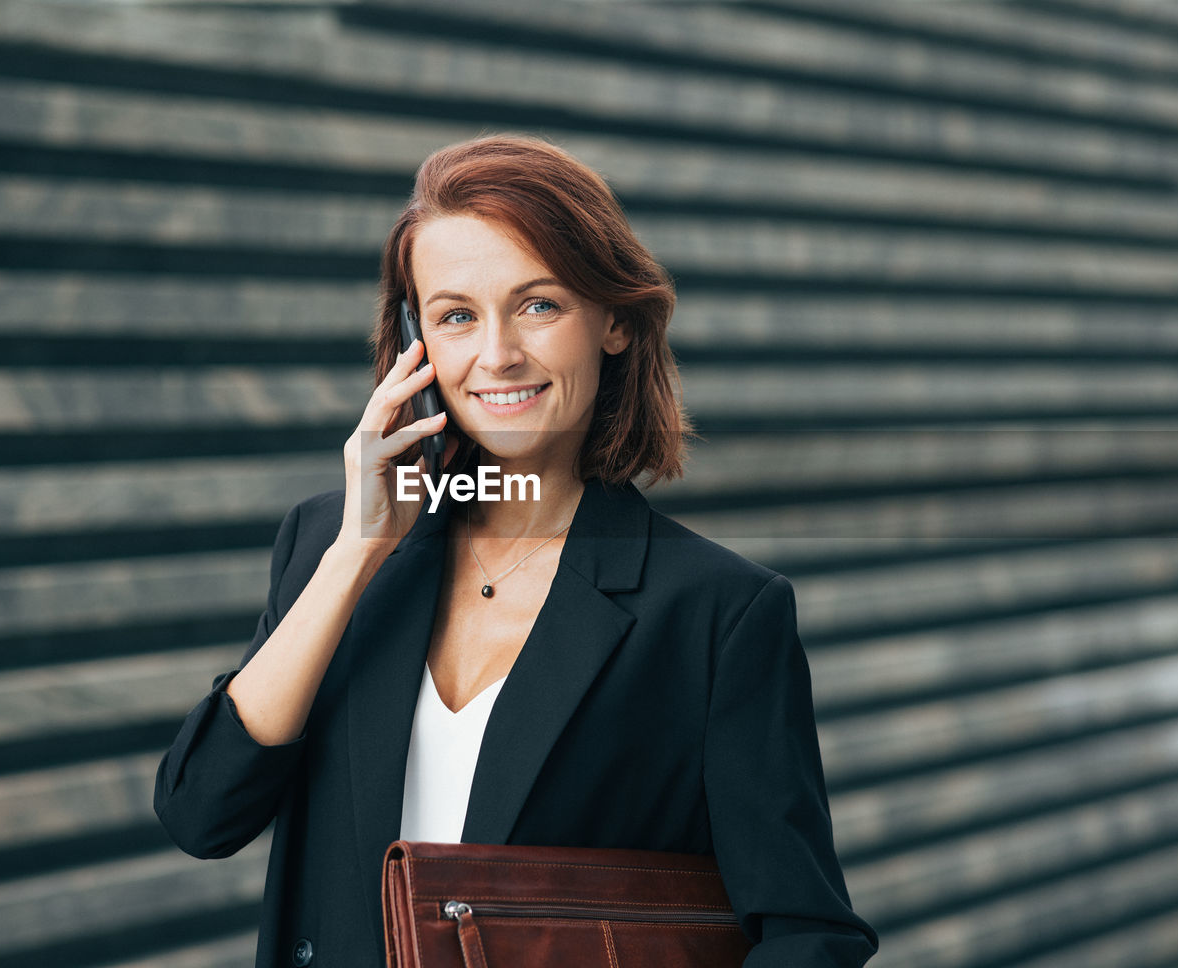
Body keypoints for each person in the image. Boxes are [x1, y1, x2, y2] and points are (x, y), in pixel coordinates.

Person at [154, 134, 878, 968]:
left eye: (539, 305)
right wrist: (354, 559)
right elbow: (199, 813)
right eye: (456, 315)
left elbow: (808, 932)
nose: (496, 355)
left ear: (611, 320)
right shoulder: (326, 544)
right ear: (415, 341)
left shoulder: (716, 613)